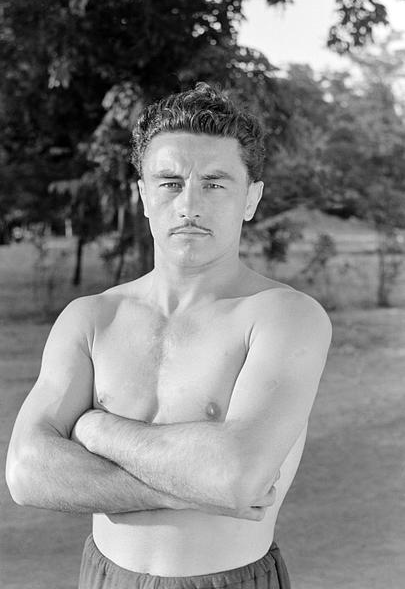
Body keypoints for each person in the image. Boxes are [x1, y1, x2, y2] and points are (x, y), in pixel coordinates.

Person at [6, 83, 332, 589]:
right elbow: (28, 473)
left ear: (251, 198)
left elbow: (236, 476)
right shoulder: (91, 318)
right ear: (143, 195)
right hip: (104, 576)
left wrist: (96, 429)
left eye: (215, 183)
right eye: (170, 182)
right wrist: (183, 490)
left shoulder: (286, 317)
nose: (189, 204)